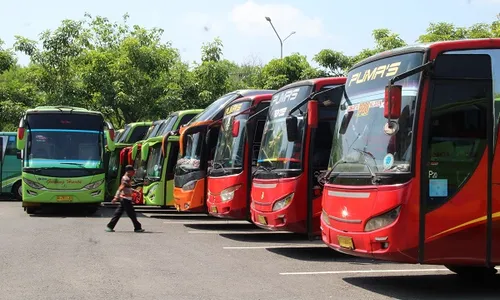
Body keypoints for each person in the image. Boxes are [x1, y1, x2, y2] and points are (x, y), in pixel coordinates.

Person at [105, 165, 145, 232]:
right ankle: (137, 228)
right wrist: (115, 197)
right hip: (125, 199)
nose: (134, 173)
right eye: (133, 171)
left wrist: (135, 191)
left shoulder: (127, 178)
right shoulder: (125, 179)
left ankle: (110, 226)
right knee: (132, 214)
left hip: (125, 199)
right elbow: (120, 188)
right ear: (129, 171)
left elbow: (127, 188)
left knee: (118, 213)